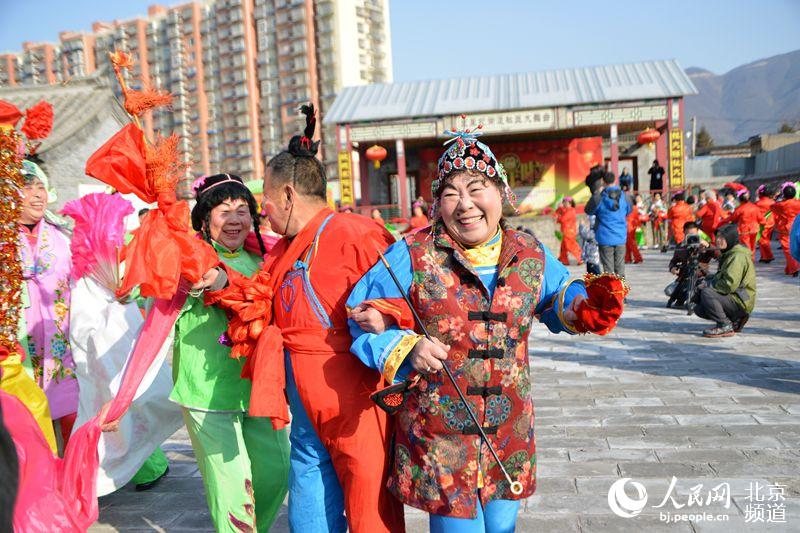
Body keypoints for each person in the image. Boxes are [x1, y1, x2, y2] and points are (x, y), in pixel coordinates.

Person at [345, 126, 627, 532]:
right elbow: (359, 314)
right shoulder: (411, 254)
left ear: (500, 192)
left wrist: (583, 304)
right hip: (440, 437)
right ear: (436, 204)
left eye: (476, 189)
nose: (465, 205)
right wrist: (404, 346)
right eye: (450, 194)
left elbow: (560, 297)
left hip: (507, 433)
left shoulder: (529, 253)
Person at [207, 106, 405, 532]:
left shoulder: (358, 234)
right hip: (302, 393)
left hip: (352, 389)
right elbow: (255, 300)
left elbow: (404, 300)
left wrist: (384, 317)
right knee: (309, 503)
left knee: (369, 501)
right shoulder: (282, 251)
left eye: (267, 203)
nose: (265, 215)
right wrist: (220, 279)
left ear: (288, 196)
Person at [174, 174, 290, 531]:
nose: (235, 218)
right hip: (207, 391)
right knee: (232, 487)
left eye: (242, 209)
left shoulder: (263, 259)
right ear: (205, 219)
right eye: (224, 211)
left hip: (258, 388)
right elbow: (160, 289)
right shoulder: (189, 259)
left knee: (276, 472)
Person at [64, 192, 181, 495]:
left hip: (120, 367)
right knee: (105, 420)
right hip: (102, 377)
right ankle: (86, 482)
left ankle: (101, 477)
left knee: (139, 405)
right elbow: (87, 342)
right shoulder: (86, 294)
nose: (119, 248)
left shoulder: (111, 288)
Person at [17, 159, 78, 452]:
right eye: (28, 188)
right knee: (26, 421)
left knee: (70, 412)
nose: (38, 195)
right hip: (18, 347)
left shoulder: (62, 235)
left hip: (62, 344)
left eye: (41, 187)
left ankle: (74, 483)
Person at [694, 224, 756, 338]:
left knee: (707, 293)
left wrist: (708, 285)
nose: (718, 240)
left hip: (741, 299)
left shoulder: (737, 256)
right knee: (699, 308)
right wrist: (707, 279)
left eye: (722, 238)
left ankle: (724, 325)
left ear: (731, 238)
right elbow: (724, 276)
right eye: (717, 237)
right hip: (738, 296)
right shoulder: (729, 253)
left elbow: (729, 284)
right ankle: (736, 319)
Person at [585, 171, 632, 277]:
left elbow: (588, 210)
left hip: (604, 237)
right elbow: (629, 211)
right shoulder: (625, 197)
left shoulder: (598, 198)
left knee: (608, 269)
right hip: (620, 236)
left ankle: (610, 292)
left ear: (603, 182)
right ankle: (620, 292)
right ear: (615, 180)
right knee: (620, 267)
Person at [721, 189, 764, 259]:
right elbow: (761, 219)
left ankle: (749, 260)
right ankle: (752, 259)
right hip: (754, 229)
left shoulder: (740, 209)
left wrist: (722, 222)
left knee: (746, 246)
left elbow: (732, 218)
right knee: (753, 246)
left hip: (744, 230)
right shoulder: (755, 207)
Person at [771, 182, 800, 276]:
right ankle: (789, 268)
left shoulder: (781, 205)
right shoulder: (798, 202)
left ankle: (794, 268)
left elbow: (772, 207)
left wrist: (777, 198)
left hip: (786, 229)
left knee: (788, 250)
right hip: (797, 225)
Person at [554, 196, 582, 265]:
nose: (564, 204)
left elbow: (562, 219)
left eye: (566, 203)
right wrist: (558, 209)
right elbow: (557, 211)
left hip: (570, 232)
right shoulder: (565, 210)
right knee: (563, 247)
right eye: (563, 202)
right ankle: (564, 260)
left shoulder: (571, 211)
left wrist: (558, 218)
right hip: (565, 232)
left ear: (570, 203)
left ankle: (580, 258)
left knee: (571, 246)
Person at [755, 184, 776, 263]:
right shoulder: (772, 202)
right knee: (765, 239)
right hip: (771, 222)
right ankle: (764, 256)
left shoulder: (758, 203)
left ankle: (768, 256)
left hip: (762, 223)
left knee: (762, 240)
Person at [625, 194, 647, 264]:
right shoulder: (634, 207)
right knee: (628, 243)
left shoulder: (631, 208)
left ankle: (637, 258)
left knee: (631, 243)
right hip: (631, 225)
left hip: (629, 226)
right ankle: (628, 258)